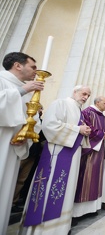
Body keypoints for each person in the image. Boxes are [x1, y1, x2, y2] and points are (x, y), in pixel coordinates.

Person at [20, 85, 91, 234]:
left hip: (73, 154)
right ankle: (44, 228)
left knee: (67, 189)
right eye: (84, 93)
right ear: (75, 91)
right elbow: (49, 125)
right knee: (50, 187)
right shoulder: (60, 103)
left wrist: (84, 131)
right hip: (58, 153)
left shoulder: (79, 111)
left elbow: (75, 129)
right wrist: (78, 129)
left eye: (88, 95)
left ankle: (61, 227)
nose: (85, 97)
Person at [0, 52, 44, 234]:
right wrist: (22, 91)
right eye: (33, 67)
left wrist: (26, 134)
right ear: (18, 65)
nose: (36, 71)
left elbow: (32, 119)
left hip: (12, 148)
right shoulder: (6, 82)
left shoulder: (24, 89)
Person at [73, 96, 105, 220]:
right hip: (90, 150)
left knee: (95, 178)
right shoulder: (86, 113)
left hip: (99, 150)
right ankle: (78, 211)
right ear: (98, 102)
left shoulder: (103, 116)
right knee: (85, 178)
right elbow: (87, 129)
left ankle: (92, 208)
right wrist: (101, 135)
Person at [12, 106, 46, 214]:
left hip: (32, 154)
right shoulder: (25, 118)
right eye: (39, 108)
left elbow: (42, 137)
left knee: (22, 180)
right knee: (12, 177)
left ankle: (14, 201)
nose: (40, 111)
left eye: (41, 109)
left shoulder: (41, 122)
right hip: (20, 152)